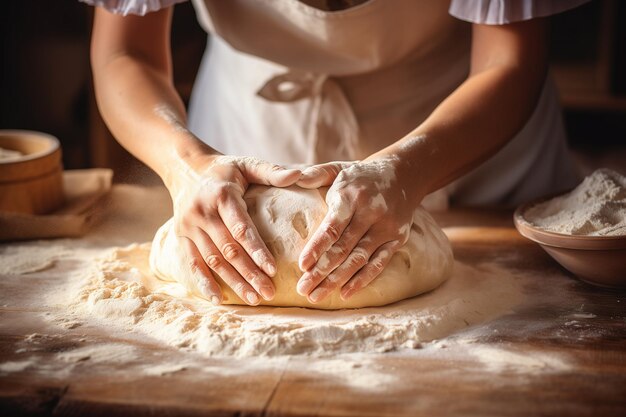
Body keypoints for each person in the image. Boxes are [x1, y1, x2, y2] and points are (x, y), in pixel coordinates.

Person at [82, 0, 588, 306]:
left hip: (459, 118)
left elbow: (508, 61)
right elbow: (127, 52)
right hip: (245, 124)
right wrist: (186, 165)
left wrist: (407, 171)